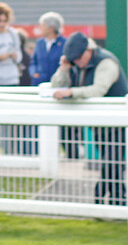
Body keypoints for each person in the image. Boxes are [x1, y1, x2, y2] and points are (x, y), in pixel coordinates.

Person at [52, 32, 127, 205]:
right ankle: (117, 201)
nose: (76, 63)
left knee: (111, 162)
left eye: (78, 59)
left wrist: (71, 92)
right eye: (73, 60)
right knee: (112, 163)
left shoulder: (106, 62)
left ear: (88, 50)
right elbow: (56, 87)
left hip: (115, 121)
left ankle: (101, 197)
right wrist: (64, 69)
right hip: (99, 122)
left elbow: (98, 90)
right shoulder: (77, 62)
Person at [28, 11, 66, 86]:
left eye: (43, 25)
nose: (40, 28)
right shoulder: (39, 43)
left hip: (57, 84)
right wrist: (34, 73)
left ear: (51, 28)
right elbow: (33, 62)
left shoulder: (64, 43)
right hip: (39, 83)